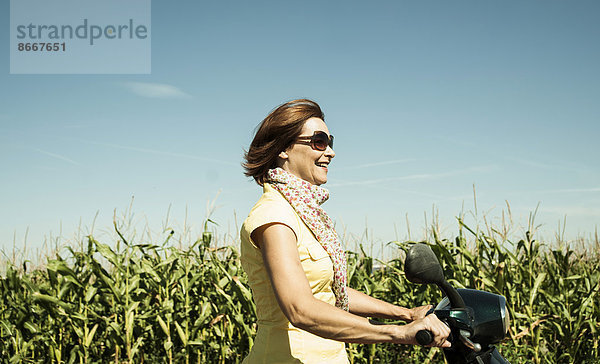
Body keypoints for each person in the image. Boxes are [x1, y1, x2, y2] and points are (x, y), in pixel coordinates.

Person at [240, 99, 450, 363]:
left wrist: (406, 313)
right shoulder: (274, 217)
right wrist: (400, 333)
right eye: (319, 141)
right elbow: (300, 309)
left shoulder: (302, 212)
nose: (330, 152)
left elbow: (331, 291)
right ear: (284, 148)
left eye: (330, 142)